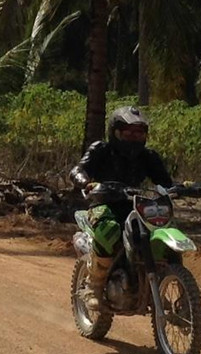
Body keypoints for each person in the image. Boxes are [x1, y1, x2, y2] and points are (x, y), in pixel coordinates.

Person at [69, 105, 173, 311]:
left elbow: (164, 181)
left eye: (139, 133)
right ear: (115, 131)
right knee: (109, 230)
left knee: (160, 232)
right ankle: (94, 286)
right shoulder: (101, 150)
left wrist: (181, 189)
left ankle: (161, 284)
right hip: (104, 203)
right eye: (128, 132)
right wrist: (86, 182)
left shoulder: (148, 156)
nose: (134, 137)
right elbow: (78, 170)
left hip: (137, 205)